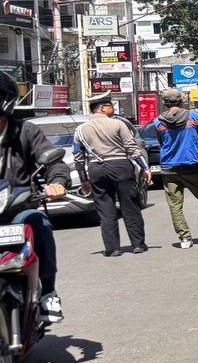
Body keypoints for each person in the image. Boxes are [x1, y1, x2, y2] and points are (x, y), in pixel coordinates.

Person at [0, 72, 70, 322]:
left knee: (39, 223)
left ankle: (48, 293)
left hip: (18, 209)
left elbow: (53, 161)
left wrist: (57, 182)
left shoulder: (25, 131)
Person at [73, 92, 150, 257]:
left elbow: (78, 157)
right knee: (130, 206)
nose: (113, 108)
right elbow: (132, 148)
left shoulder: (80, 130)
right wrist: (145, 167)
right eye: (110, 106)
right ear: (102, 108)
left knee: (105, 209)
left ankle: (113, 248)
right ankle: (138, 244)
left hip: (96, 169)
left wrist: (84, 179)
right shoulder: (118, 124)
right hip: (120, 166)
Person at [152, 88, 198, 250]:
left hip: (170, 167)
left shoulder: (158, 122)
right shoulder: (193, 116)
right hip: (192, 164)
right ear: (180, 101)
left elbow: (161, 141)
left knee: (175, 205)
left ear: (164, 103)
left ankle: (185, 238)